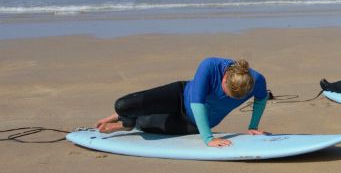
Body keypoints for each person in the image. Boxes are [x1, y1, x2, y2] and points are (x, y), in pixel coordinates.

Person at [94, 58, 269, 147]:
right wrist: (208, 139)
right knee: (123, 106)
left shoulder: (257, 80)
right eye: (229, 94)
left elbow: (261, 99)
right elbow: (197, 103)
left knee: (145, 123)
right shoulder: (210, 66)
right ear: (225, 78)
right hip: (179, 96)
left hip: (193, 123)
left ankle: (127, 124)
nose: (231, 100)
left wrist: (253, 125)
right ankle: (120, 116)